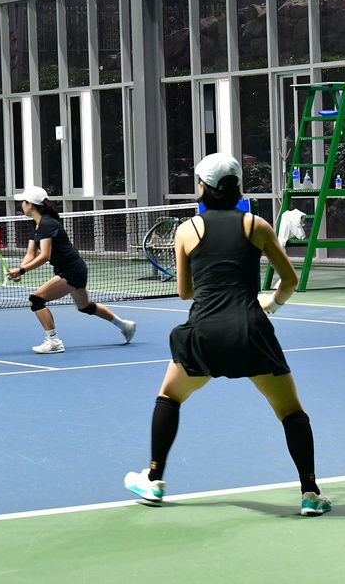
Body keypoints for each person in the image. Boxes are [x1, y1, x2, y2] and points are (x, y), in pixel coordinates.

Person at [123, 153, 331, 516]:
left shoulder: (187, 230)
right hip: (251, 331)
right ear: (236, 186)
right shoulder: (257, 225)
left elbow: (185, 292)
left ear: (202, 187)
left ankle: (154, 481)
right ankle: (310, 493)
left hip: (203, 332)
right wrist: (272, 304)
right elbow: (290, 280)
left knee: (169, 397)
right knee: (291, 412)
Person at [6, 186, 136, 354]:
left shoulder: (47, 223)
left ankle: (54, 342)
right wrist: (20, 269)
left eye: (23, 202)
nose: (21, 205)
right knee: (85, 307)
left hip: (72, 270)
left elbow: (45, 255)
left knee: (36, 300)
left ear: (30, 204)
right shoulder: (36, 224)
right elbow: (31, 253)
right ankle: (124, 326)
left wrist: (22, 271)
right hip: (71, 268)